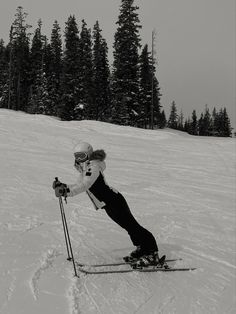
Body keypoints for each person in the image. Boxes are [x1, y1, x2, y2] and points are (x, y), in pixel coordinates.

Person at [53, 142, 160, 266]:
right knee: (128, 226)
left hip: (114, 201)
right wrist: (63, 186)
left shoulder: (93, 168)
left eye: (81, 156)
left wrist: (66, 191)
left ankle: (152, 252)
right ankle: (142, 248)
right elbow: (78, 184)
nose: (78, 159)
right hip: (108, 203)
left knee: (132, 225)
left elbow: (84, 185)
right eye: (76, 156)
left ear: (88, 155)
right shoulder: (86, 169)